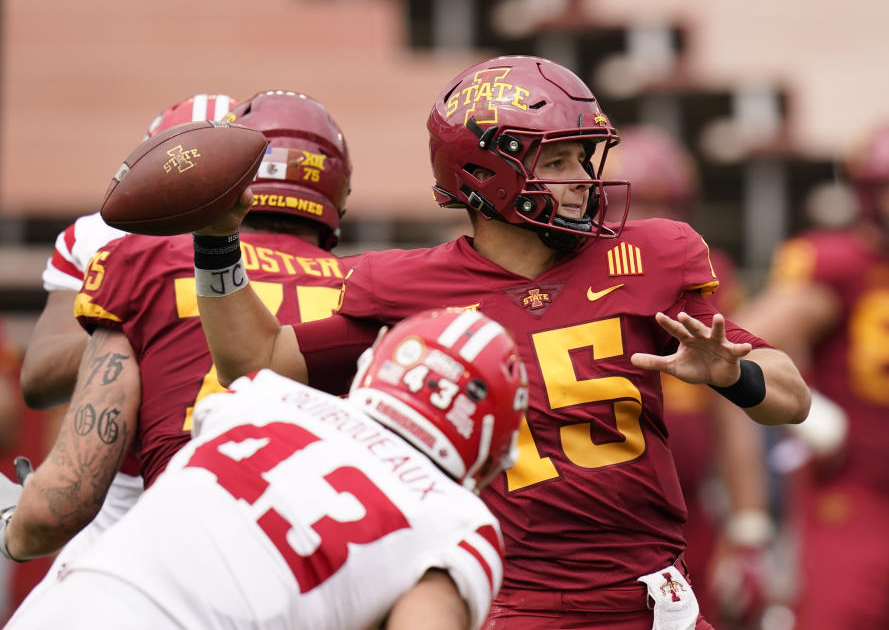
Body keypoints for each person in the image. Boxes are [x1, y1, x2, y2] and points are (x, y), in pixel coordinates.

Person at [191, 55, 810, 629]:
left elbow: (792, 398)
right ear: (486, 172)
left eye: (584, 160)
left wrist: (735, 375)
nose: (583, 183)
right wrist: (217, 243)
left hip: (649, 597)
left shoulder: (650, 255)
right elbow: (257, 363)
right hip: (517, 602)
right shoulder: (406, 285)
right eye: (559, 162)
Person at [4, 308, 528, 629]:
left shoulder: (260, 397)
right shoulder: (458, 519)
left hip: (68, 602)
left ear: (377, 366)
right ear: (492, 448)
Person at [0, 90, 353, 564]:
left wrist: (150, 328)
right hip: (315, 544)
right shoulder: (371, 283)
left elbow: (62, 503)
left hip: (175, 530)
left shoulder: (140, 261)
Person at [733, 122, 889, 629]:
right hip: (851, 498)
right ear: (868, 194)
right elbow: (742, 339)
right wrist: (806, 411)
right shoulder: (838, 263)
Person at [10, 93, 237, 596]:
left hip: (235, 480)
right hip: (123, 484)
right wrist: (152, 323)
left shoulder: (275, 248)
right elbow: (41, 374)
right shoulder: (100, 238)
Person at [612, 125, 774, 629]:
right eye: (641, 206)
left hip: (686, 511)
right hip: (599, 509)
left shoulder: (706, 274)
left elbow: (731, 411)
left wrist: (748, 528)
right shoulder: (576, 273)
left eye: (667, 206)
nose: (653, 223)